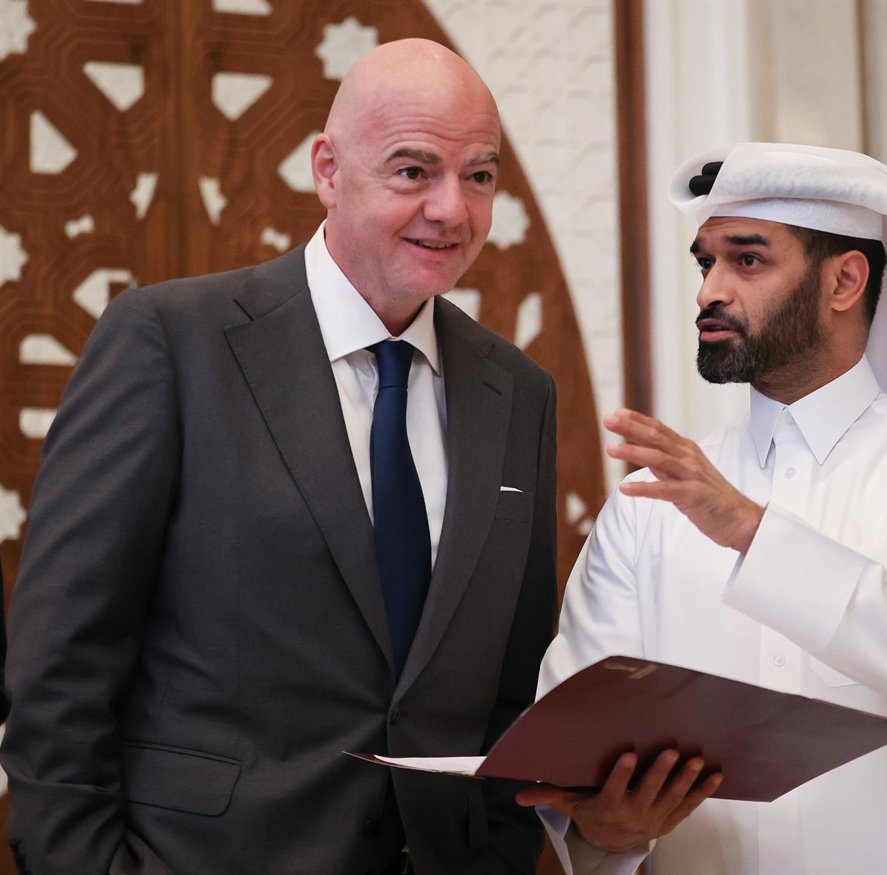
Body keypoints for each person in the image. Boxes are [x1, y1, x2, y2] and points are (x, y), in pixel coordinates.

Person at [1, 39, 557, 875]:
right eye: (413, 171)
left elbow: (514, 686)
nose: (452, 208)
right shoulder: (169, 344)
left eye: (479, 175)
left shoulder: (519, 391)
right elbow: (60, 667)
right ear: (327, 170)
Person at [519, 143, 887, 874]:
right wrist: (606, 828)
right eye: (705, 263)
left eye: (747, 260)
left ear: (844, 280)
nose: (710, 291)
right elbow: (577, 746)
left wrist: (752, 531)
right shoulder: (649, 507)